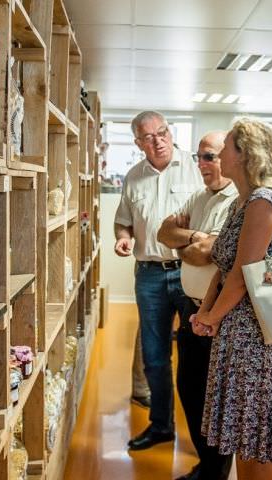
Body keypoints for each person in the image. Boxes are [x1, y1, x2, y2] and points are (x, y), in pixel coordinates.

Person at [191, 118, 272, 480]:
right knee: (244, 440)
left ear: (244, 155)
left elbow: (243, 276)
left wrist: (211, 318)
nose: (220, 152)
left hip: (255, 339)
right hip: (237, 335)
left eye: (228, 146)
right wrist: (206, 311)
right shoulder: (243, 202)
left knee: (257, 447)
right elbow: (223, 269)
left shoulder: (263, 201)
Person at [114, 111, 203, 450]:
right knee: (154, 356)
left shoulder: (195, 168)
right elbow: (124, 222)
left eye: (162, 132)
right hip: (150, 275)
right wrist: (123, 238)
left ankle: (203, 435)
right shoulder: (133, 177)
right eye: (149, 137)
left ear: (170, 131)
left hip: (188, 272)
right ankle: (162, 426)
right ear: (138, 143)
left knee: (196, 356)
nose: (158, 140)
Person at [157, 131, 237, 480]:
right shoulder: (200, 198)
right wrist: (193, 236)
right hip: (193, 310)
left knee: (214, 396)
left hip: (220, 313)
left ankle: (216, 471)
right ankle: (206, 466)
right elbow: (164, 232)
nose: (201, 164)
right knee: (189, 388)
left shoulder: (237, 201)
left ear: (229, 159)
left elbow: (206, 255)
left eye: (209, 157)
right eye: (199, 157)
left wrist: (194, 244)